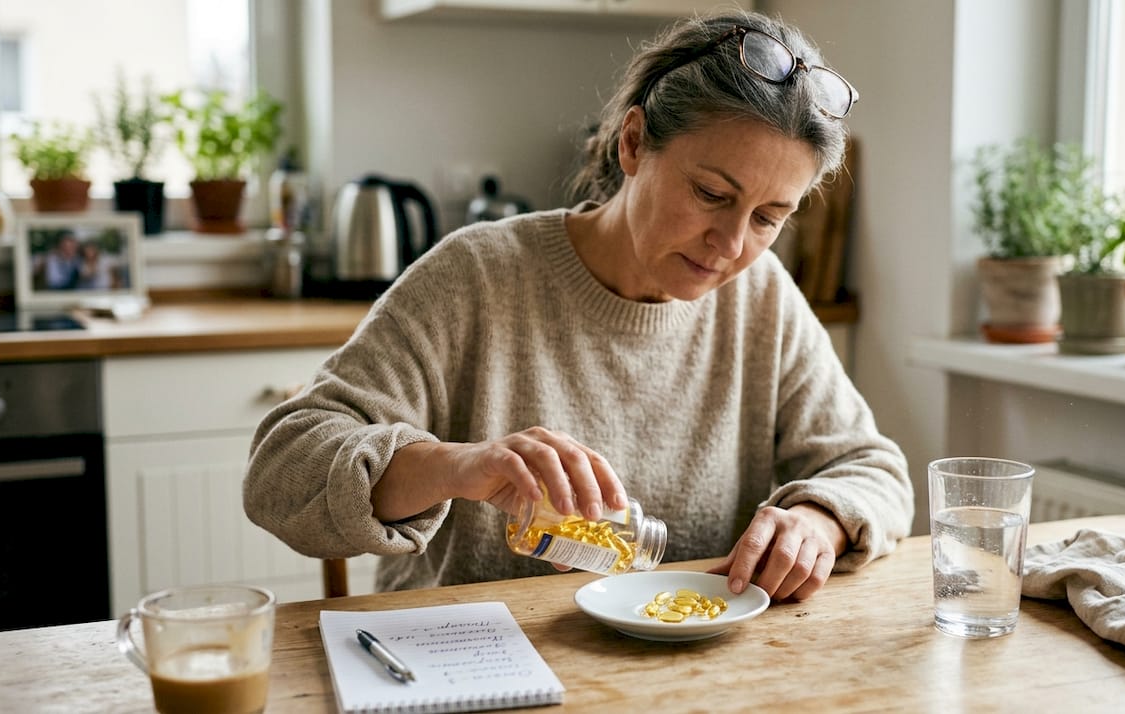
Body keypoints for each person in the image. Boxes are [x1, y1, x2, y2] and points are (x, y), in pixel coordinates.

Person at [244, 10, 912, 602]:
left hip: (691, 675)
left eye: (769, 216)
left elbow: (874, 470)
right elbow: (279, 473)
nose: (732, 244)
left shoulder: (760, 293)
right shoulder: (475, 276)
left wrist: (820, 518)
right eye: (711, 193)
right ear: (632, 142)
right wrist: (457, 465)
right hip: (475, 664)